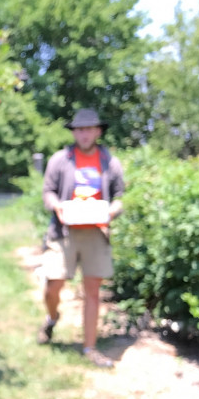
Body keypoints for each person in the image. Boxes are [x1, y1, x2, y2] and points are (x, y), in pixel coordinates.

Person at [37, 108, 125, 368]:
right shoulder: (60, 160)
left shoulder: (109, 161)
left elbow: (119, 196)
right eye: (79, 129)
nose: (84, 134)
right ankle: (52, 318)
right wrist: (58, 207)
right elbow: (48, 193)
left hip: (96, 232)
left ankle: (89, 347)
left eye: (89, 129)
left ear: (98, 131)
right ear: (74, 132)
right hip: (64, 232)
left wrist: (112, 210)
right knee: (53, 284)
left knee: (93, 291)